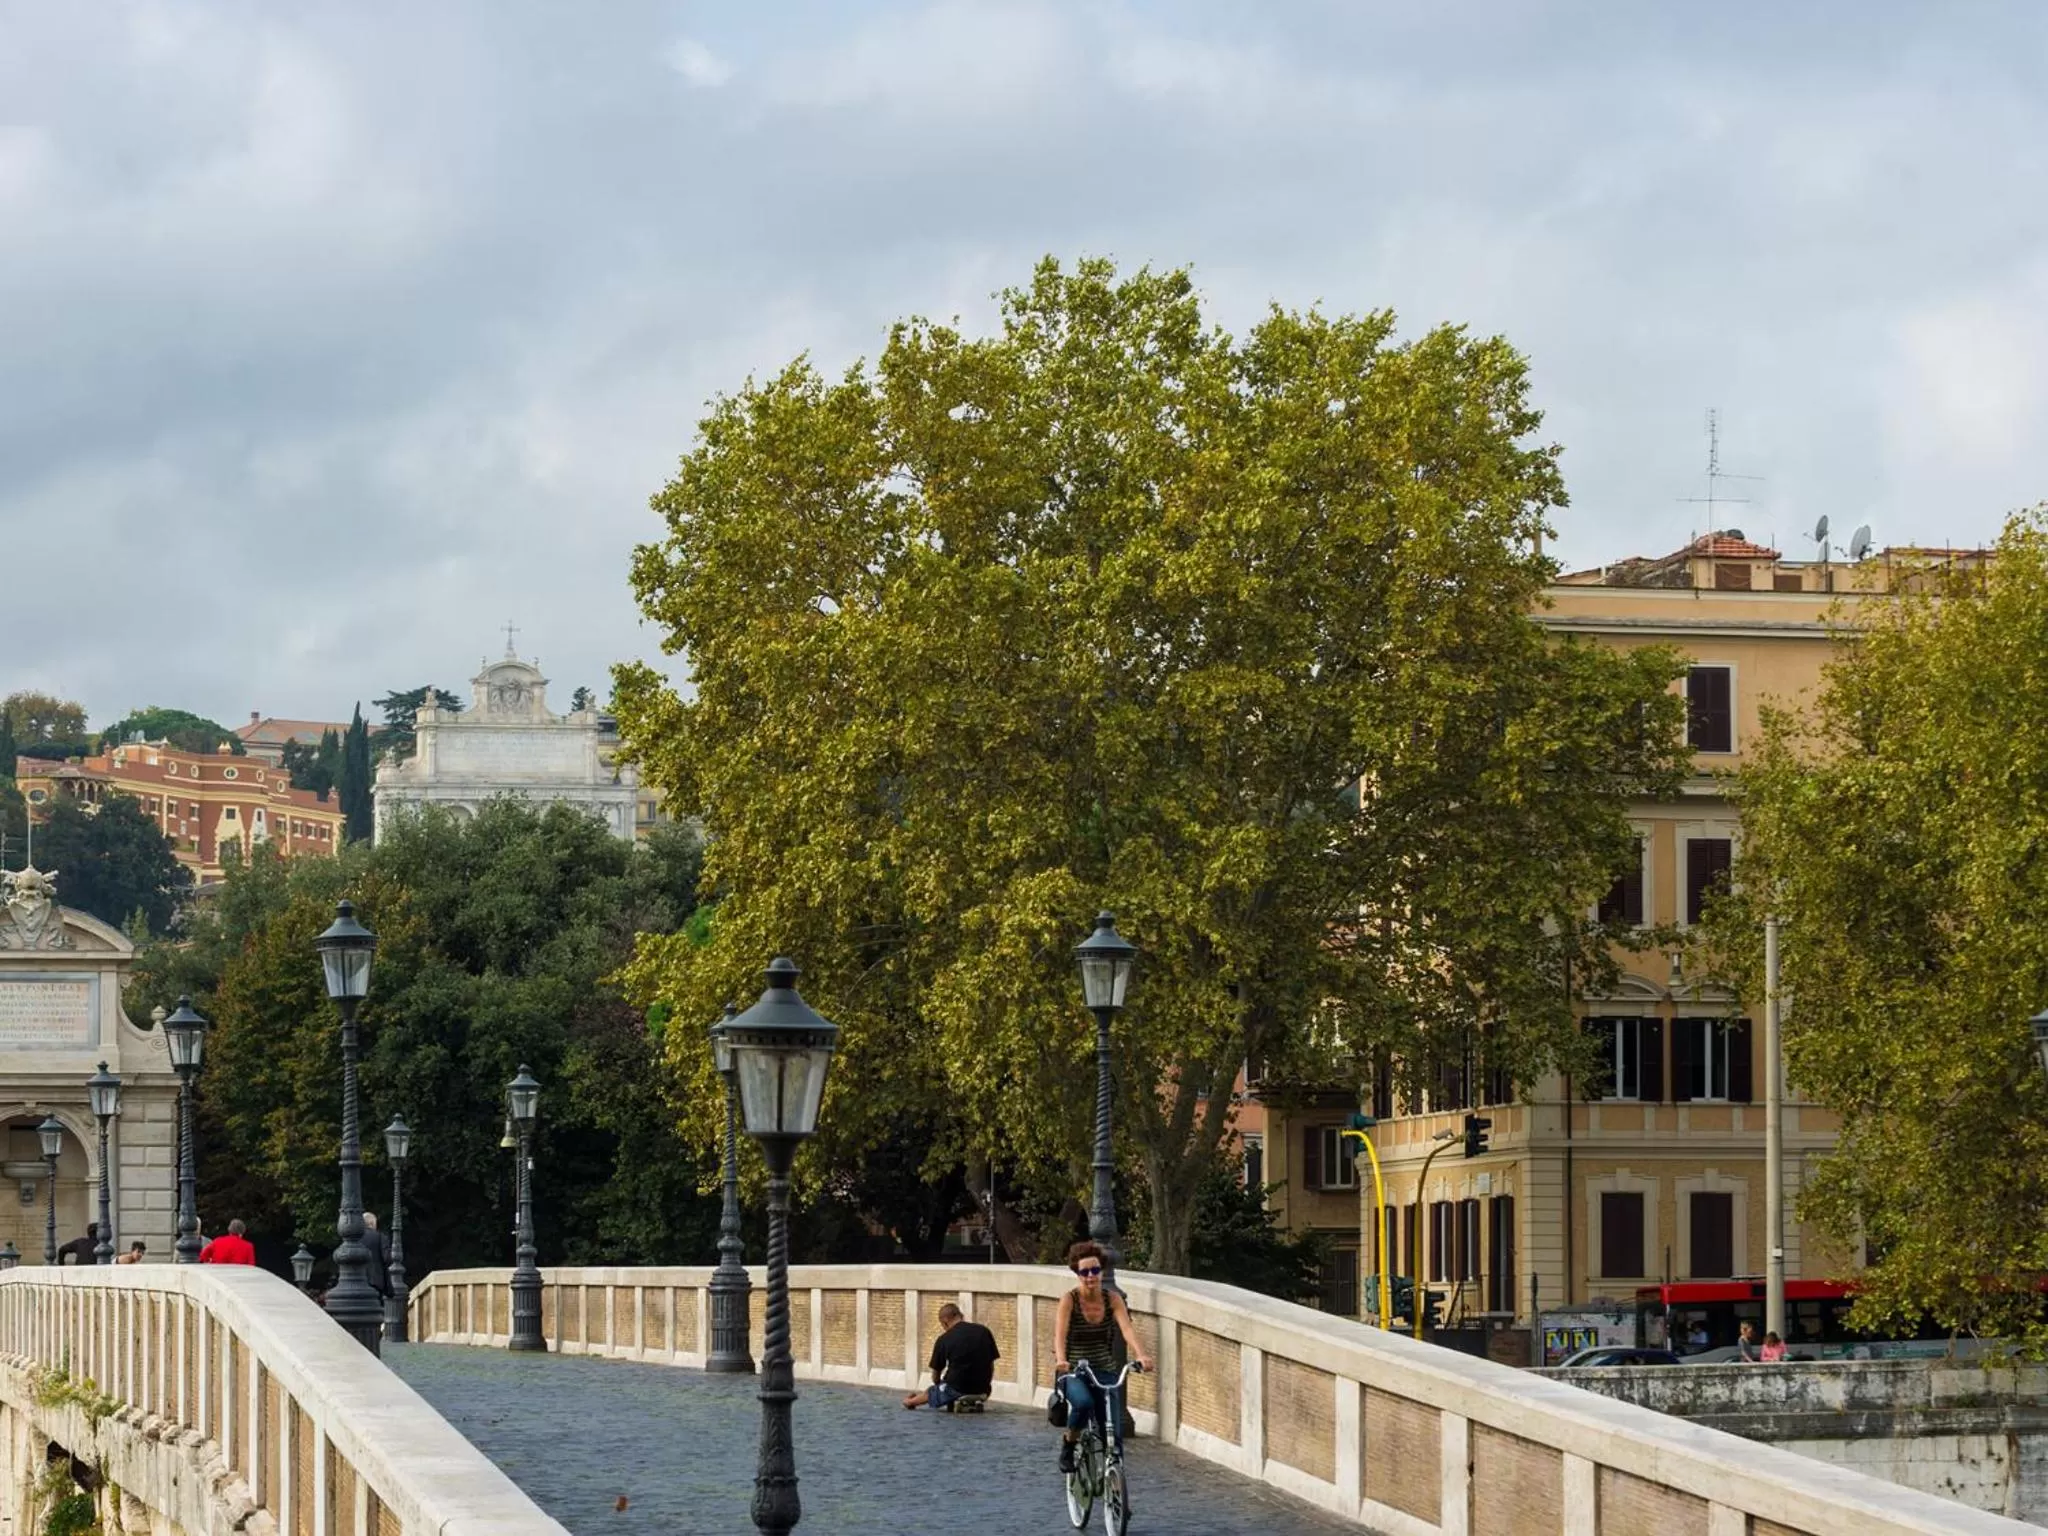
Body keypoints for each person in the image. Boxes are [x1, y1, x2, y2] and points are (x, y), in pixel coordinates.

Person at [1052, 1241, 1152, 1473]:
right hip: (1073, 1368)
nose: (1091, 1277)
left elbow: (1127, 1329)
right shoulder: (1070, 1300)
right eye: (1084, 1272)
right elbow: (1060, 1333)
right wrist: (1061, 1360)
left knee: (1114, 1431)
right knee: (1083, 1403)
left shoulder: (1112, 1299)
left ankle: (1116, 1487)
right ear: (1077, 1274)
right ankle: (1069, 1443)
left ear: (1102, 1271)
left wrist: (1142, 1355)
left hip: (1103, 1366)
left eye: (1095, 1270)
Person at [903, 1303, 1000, 1410]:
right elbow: (991, 1364)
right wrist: (985, 1383)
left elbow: (935, 1375)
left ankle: (910, 1402)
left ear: (944, 1322)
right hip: (984, 1389)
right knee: (942, 1388)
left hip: (956, 1388)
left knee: (932, 1391)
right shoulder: (984, 1331)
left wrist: (939, 1385)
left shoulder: (944, 1339)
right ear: (961, 1316)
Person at [361, 1212, 391, 1298]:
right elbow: (387, 1258)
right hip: (376, 1281)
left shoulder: (355, 1238)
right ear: (373, 1223)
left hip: (357, 1281)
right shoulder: (380, 1237)